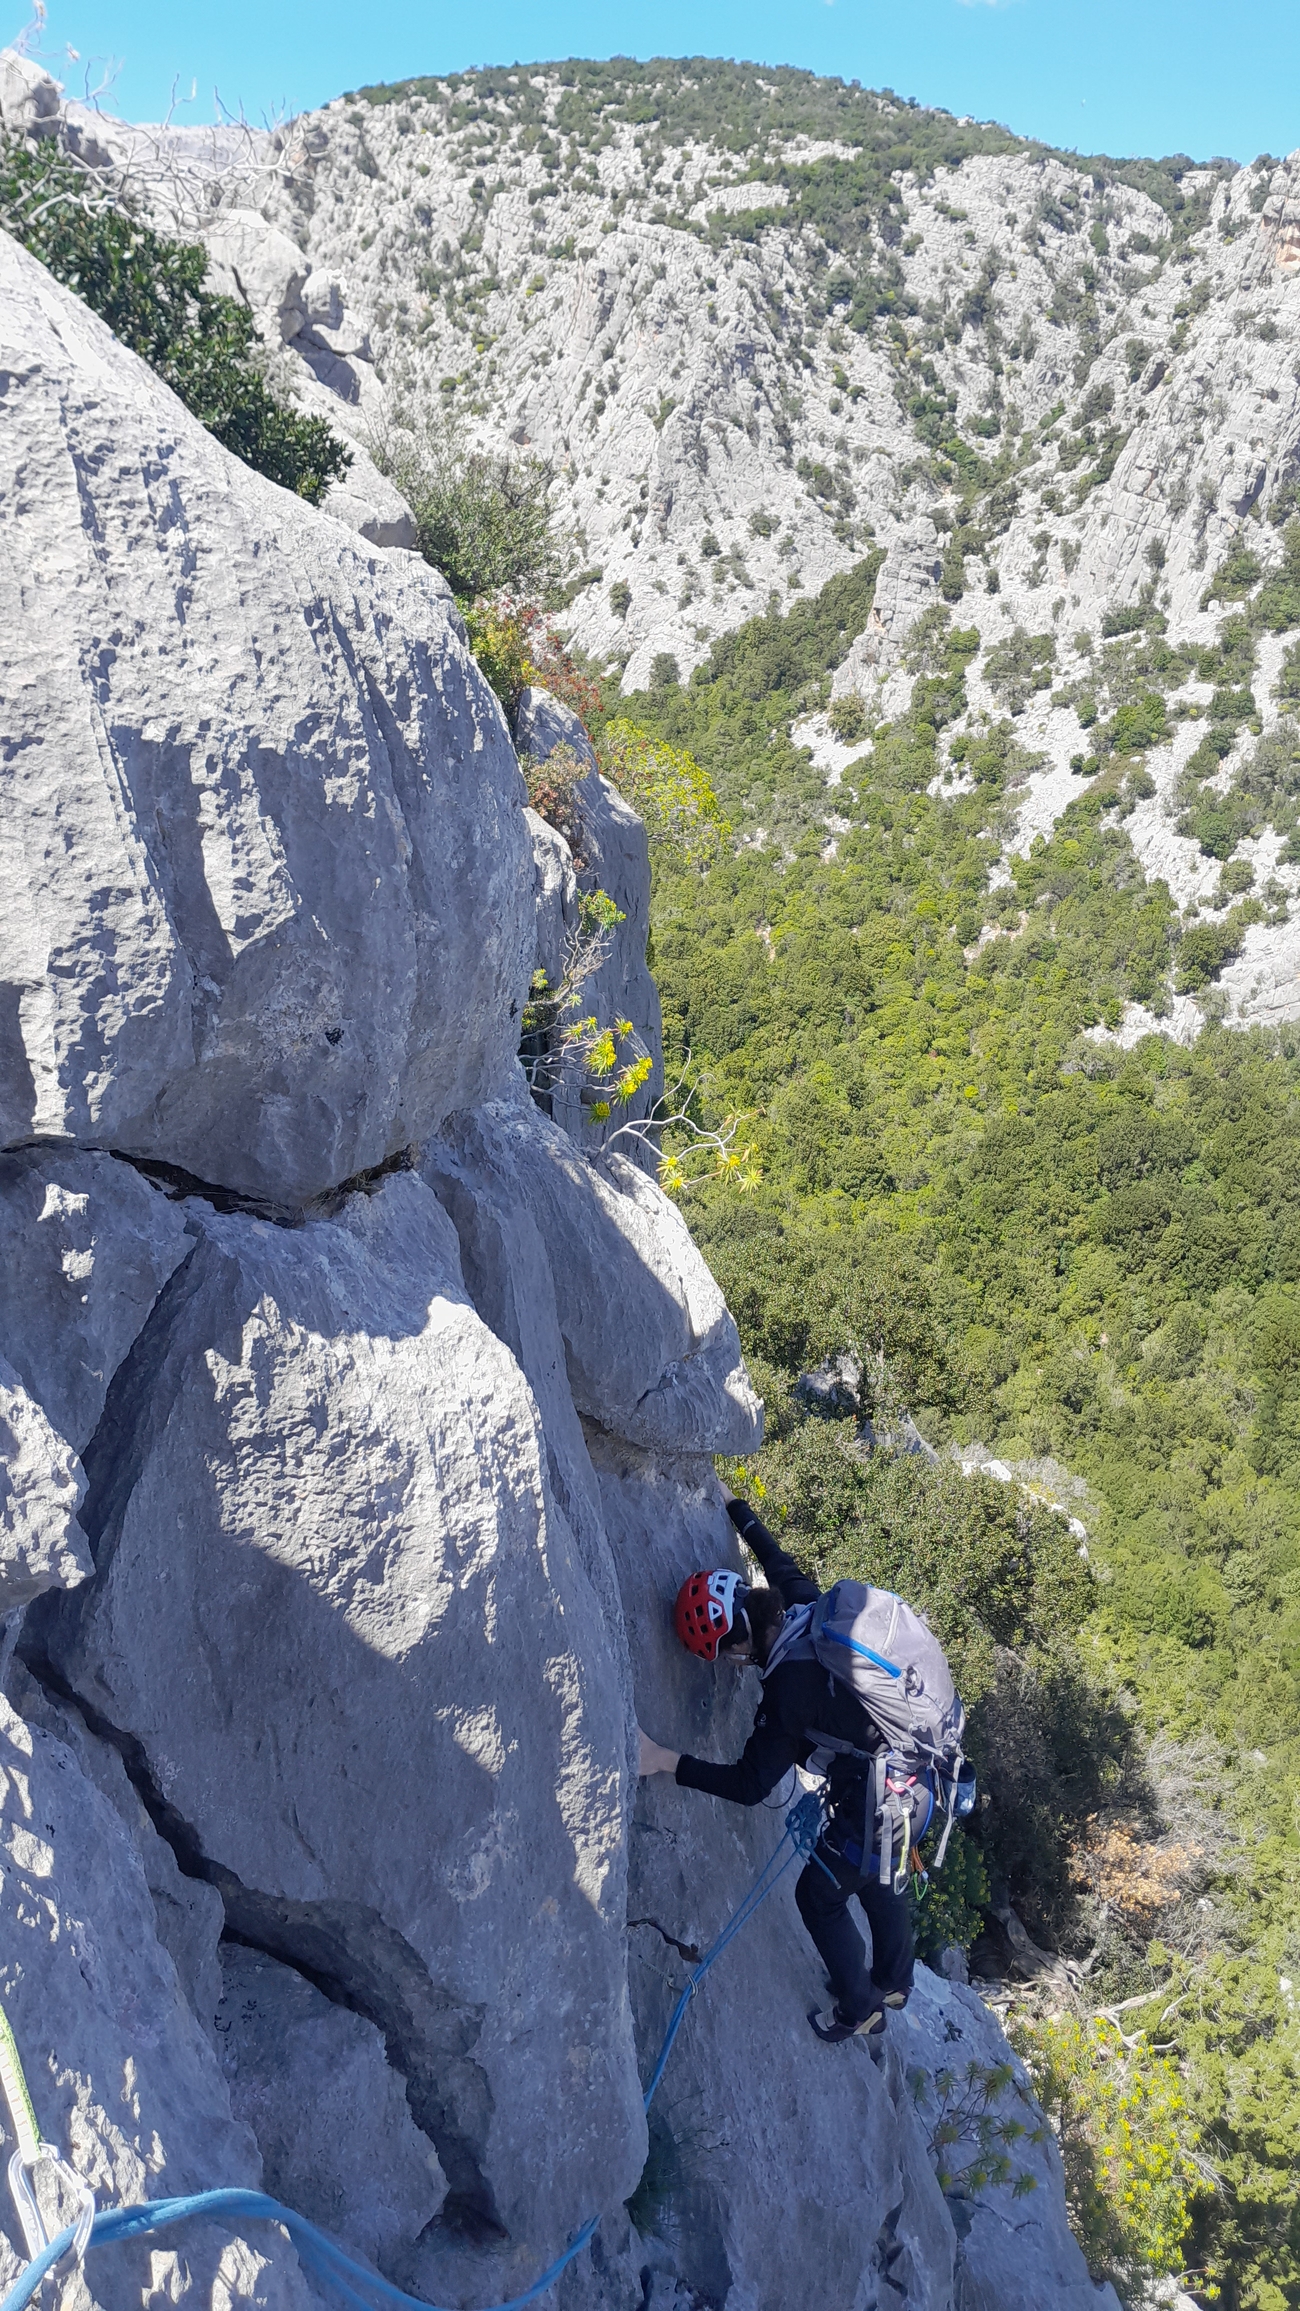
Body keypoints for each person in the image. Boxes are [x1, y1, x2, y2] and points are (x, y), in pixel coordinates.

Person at [638, 1490, 915, 2046]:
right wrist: (735, 1506)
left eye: (725, 1654)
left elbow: (749, 1784)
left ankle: (860, 2007)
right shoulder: (807, 1608)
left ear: (742, 1642)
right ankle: (894, 1979)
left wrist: (664, 1760)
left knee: (819, 1892)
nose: (731, 1665)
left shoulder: (787, 1693)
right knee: (882, 1874)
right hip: (917, 1768)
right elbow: (778, 1561)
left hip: (876, 1798)